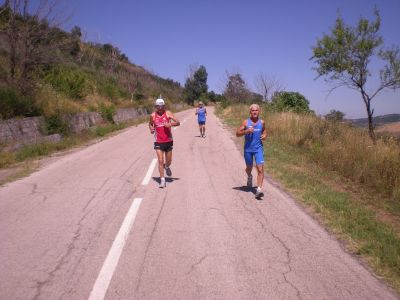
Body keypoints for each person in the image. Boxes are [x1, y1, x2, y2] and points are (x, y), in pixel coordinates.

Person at [236, 104, 267, 198]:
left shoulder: (262, 122)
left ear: (259, 111)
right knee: (249, 168)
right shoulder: (246, 122)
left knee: (260, 168)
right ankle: (249, 176)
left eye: (256, 110)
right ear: (250, 112)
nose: (255, 112)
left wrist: (265, 135)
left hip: (258, 149)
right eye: (253, 110)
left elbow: (264, 131)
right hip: (248, 150)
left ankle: (258, 190)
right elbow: (237, 133)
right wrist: (246, 131)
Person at [149, 97, 180, 188]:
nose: (160, 108)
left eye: (161, 106)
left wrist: (170, 124)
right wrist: (151, 128)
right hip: (158, 141)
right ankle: (162, 180)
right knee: (160, 160)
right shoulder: (153, 115)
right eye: (158, 106)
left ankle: (166, 167)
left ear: (164, 106)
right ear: (155, 106)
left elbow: (178, 122)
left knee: (168, 161)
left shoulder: (168, 113)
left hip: (168, 140)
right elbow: (150, 124)